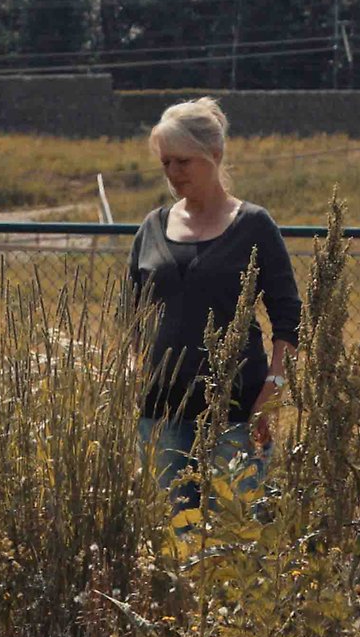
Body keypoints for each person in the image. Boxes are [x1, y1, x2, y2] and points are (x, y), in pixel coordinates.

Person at [128, 98, 301, 515]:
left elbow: (289, 319)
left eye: (183, 162)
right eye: (166, 162)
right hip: (161, 413)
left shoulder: (255, 225)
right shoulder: (151, 227)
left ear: (216, 155)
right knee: (173, 535)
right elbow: (132, 315)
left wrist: (272, 393)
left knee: (237, 535)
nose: (173, 173)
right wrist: (134, 374)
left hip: (238, 413)